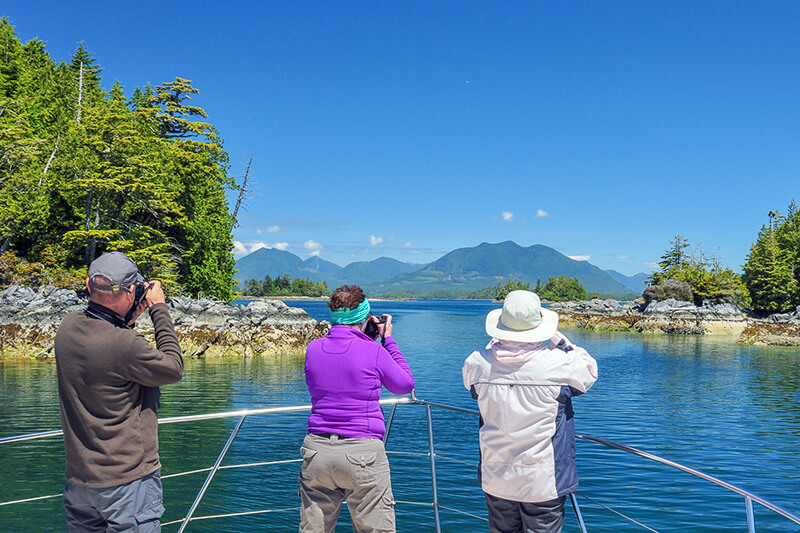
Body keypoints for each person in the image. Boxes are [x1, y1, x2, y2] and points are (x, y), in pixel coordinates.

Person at [55, 251, 183, 532]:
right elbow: (173, 368)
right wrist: (158, 309)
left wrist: (127, 320)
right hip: (127, 482)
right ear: (131, 293)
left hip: (81, 482)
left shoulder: (67, 328)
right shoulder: (126, 345)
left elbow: (105, 344)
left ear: (89, 287)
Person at [462, 290, 598, 533]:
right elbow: (589, 371)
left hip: (497, 476)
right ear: (540, 328)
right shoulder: (559, 365)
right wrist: (562, 342)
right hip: (543, 480)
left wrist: (496, 342)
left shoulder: (477, 363)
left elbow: (473, 385)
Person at [299, 285, 415, 533]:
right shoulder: (373, 350)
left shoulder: (313, 349)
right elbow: (404, 384)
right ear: (365, 319)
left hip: (317, 451)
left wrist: (365, 338)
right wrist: (388, 340)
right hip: (361, 453)